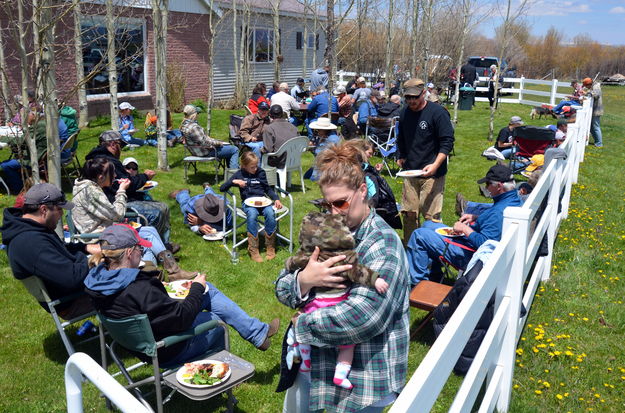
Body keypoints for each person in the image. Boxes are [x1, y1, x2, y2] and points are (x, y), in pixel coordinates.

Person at [275, 142, 410, 413]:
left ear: (362, 191)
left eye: (340, 203)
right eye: (327, 204)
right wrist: (304, 280)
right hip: (315, 363)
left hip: (363, 376)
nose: (333, 212)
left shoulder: (382, 243)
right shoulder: (325, 229)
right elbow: (281, 285)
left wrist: (299, 327)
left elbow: (364, 317)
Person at [84, 224, 281, 367]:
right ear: (129, 252)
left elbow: (148, 306)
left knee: (207, 289)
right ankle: (218, 373)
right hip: (166, 350)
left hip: (135, 344)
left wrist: (163, 288)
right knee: (214, 319)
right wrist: (195, 288)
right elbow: (181, 319)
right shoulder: (140, 287)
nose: (142, 252)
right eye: (140, 249)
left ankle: (258, 333)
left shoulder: (94, 281)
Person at [283, 212, 389, 390]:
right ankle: (340, 375)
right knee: (347, 346)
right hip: (336, 305)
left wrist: (289, 264)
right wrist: (376, 279)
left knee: (301, 332)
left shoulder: (309, 257)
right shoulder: (343, 258)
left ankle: (305, 361)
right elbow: (358, 271)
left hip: (313, 305)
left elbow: (293, 262)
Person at [72, 158, 194, 280]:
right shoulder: (91, 191)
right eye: (112, 172)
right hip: (98, 239)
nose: (115, 175)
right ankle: (160, 274)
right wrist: (121, 190)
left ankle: (159, 274)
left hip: (104, 232)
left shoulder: (86, 187)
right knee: (146, 240)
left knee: (149, 232)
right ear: (100, 177)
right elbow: (118, 214)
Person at [406, 164, 522, 285]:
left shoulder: (498, 213)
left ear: (499, 186)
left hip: (473, 255)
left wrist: (465, 229)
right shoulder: (513, 199)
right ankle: (435, 275)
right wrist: (476, 217)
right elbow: (494, 223)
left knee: (419, 235)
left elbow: (485, 244)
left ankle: (417, 284)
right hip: (477, 245)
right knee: (428, 225)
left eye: (488, 184)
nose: (486, 188)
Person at [1, 183, 98, 319]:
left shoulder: (31, 228)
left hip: (74, 290)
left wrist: (85, 248)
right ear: (44, 210)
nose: (61, 214)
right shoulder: (31, 243)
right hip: (72, 301)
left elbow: (59, 249)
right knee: (133, 285)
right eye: (59, 209)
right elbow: (72, 279)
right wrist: (97, 260)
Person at [85, 131, 172, 244]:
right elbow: (127, 184)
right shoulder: (107, 162)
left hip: (116, 201)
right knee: (156, 212)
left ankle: (162, 244)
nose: (121, 149)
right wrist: (145, 176)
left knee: (163, 207)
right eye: (120, 145)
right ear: (113, 144)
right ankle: (151, 247)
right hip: (115, 206)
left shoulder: (101, 158)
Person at [397, 78, 454, 245]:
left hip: (432, 173)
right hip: (411, 172)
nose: (411, 101)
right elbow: (401, 137)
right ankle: (411, 249)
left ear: (423, 93)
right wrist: (401, 155)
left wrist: (435, 165)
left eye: (415, 97)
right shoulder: (404, 113)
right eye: (408, 98)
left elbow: (447, 142)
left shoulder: (437, 113)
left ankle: (432, 252)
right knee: (409, 215)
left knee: (431, 217)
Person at [220, 152, 283, 262]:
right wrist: (233, 181)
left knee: (270, 213)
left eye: (256, 166)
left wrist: (276, 198)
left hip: (263, 201)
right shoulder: (239, 174)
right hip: (247, 203)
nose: (255, 169)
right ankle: (253, 249)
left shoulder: (261, 172)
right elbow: (222, 188)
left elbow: (267, 189)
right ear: (244, 166)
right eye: (252, 167)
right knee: (252, 214)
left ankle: (270, 246)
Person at [0, 111, 46, 193]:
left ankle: (18, 188)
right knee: (11, 159)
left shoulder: (38, 127)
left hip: (34, 158)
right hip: (40, 155)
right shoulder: (42, 123)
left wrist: (2, 138)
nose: (23, 119)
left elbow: (21, 141)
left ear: (33, 115)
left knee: (6, 165)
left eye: (25, 116)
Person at [583, 77, 603, 147]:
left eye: (586, 86)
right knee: (591, 127)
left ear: (589, 84)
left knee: (596, 127)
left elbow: (596, 95)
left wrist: (587, 92)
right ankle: (597, 141)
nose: (586, 87)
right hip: (594, 109)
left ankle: (599, 143)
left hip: (597, 110)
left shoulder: (596, 86)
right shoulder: (593, 86)